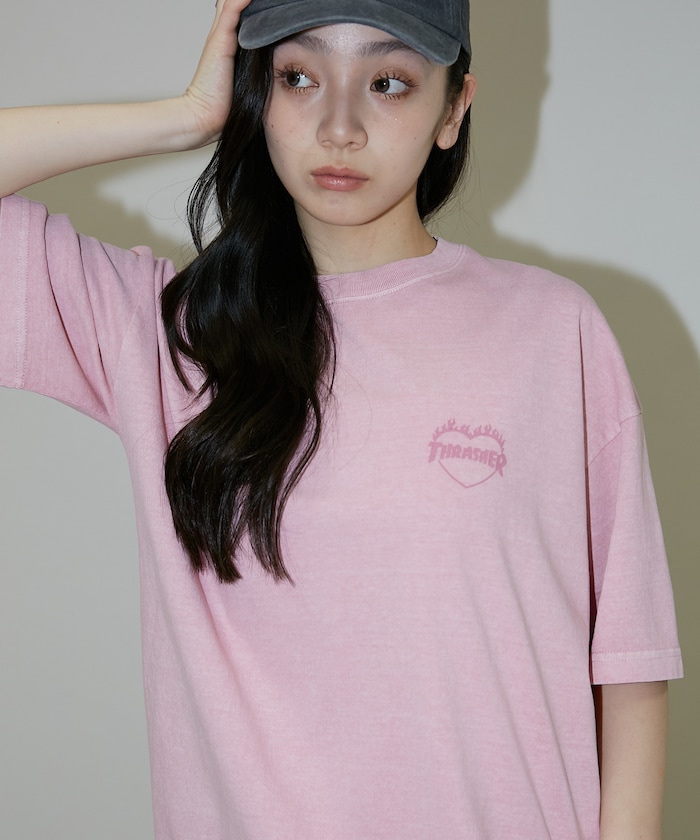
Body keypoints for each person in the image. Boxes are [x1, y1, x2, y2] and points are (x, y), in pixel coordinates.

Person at [0, 0, 683, 838]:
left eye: (388, 82)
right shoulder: (170, 334)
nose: (339, 126)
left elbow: (631, 665)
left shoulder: (552, 331)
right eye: (299, 77)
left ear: (454, 110)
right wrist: (183, 117)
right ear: (259, 94)